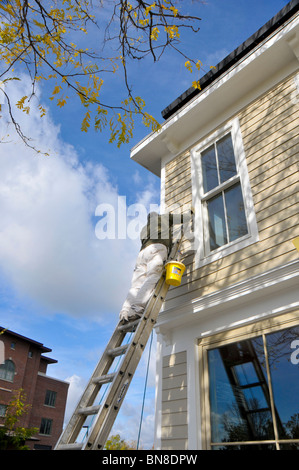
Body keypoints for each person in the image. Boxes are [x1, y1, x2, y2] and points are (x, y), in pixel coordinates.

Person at [119, 208, 194, 322]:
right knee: (152, 277)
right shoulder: (163, 218)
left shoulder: (144, 229)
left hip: (142, 254)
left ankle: (125, 311)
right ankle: (137, 308)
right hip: (156, 249)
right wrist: (190, 214)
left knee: (136, 285)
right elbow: (183, 218)